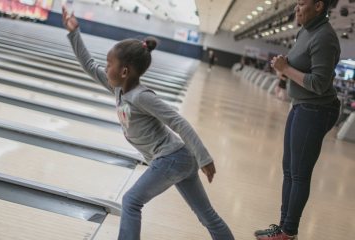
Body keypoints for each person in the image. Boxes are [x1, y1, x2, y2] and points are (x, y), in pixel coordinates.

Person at [62, 7, 235, 240]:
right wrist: (74, 32)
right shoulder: (118, 88)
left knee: (131, 201)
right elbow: (89, 66)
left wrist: (204, 157)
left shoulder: (142, 96)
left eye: (109, 63)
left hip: (171, 157)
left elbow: (178, 121)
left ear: (124, 71)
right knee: (207, 216)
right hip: (179, 158)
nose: (105, 68)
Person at [254, 0, 340, 239]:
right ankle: (282, 227)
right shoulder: (306, 31)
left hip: (317, 110)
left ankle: (289, 232)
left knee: (300, 173)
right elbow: (300, 68)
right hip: (301, 106)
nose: (296, 8)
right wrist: (283, 68)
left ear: (319, 6)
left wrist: (286, 69)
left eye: (302, 3)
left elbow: (320, 84)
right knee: (289, 170)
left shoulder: (324, 37)